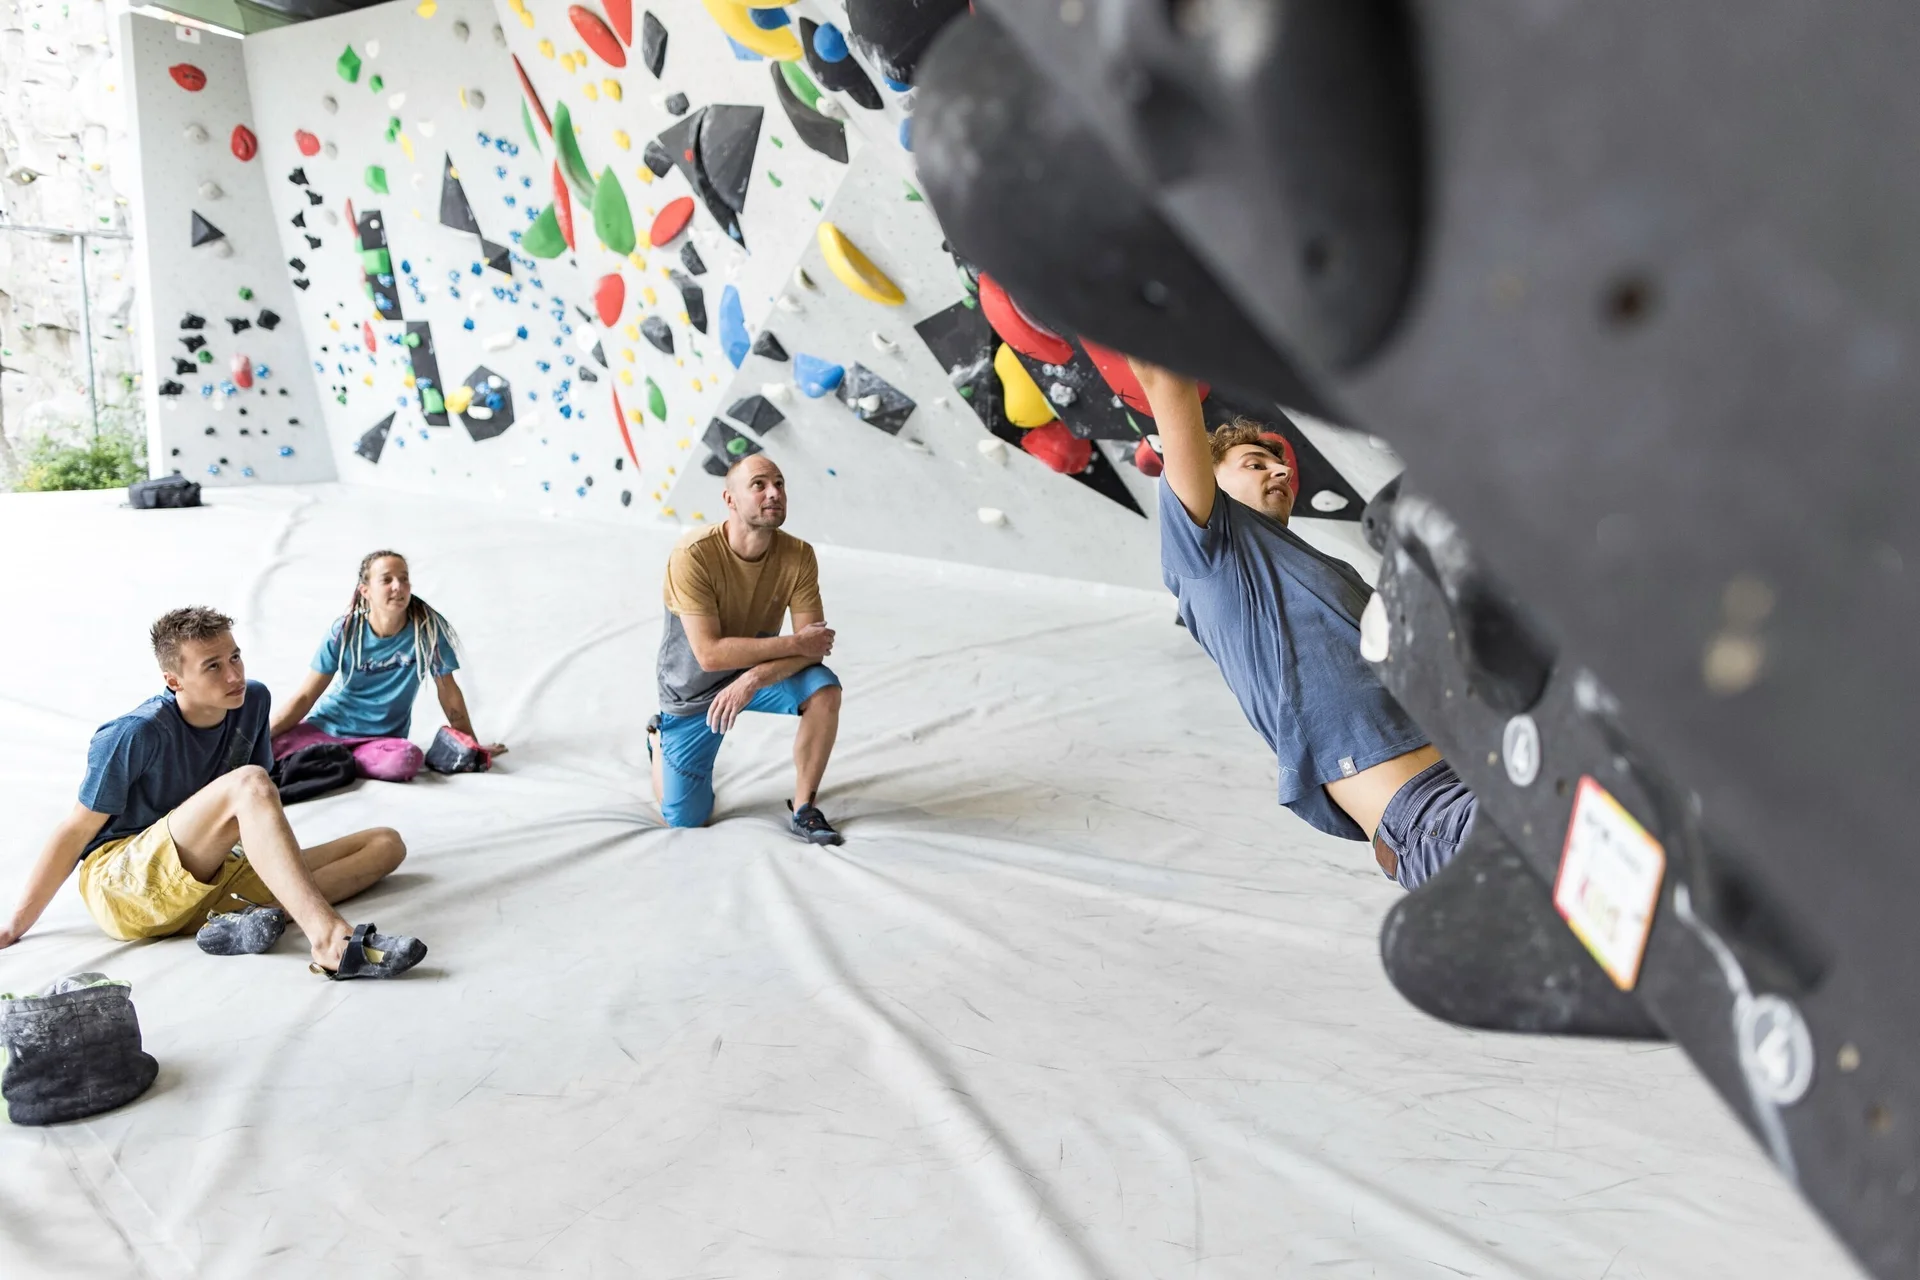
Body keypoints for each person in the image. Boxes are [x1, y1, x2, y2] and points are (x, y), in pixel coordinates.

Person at [1131, 358, 1476, 889]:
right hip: (1433, 812)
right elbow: (1164, 381)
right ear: (1206, 476)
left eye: (1280, 466)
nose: (1281, 472)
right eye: (1254, 464)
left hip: (1483, 774)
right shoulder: (1209, 554)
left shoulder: (1329, 572)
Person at [0, 607, 425, 977]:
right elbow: (75, 830)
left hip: (211, 871)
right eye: (213, 666)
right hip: (125, 884)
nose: (234, 675)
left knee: (386, 843)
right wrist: (14, 926)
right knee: (250, 783)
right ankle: (331, 942)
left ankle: (244, 921)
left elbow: (249, 816)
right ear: (174, 680)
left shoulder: (252, 701)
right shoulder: (134, 734)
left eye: (235, 657)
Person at [648, 454, 845, 844]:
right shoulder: (693, 554)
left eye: (779, 483)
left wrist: (753, 678)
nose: (774, 493)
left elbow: (814, 649)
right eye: (759, 485)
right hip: (693, 692)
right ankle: (657, 740)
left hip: (757, 674)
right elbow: (709, 654)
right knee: (685, 819)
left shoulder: (798, 555)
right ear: (730, 499)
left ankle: (804, 807)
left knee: (823, 688)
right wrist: (794, 644)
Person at [270, 550, 504, 780]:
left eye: (404, 579)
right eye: (386, 580)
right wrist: (262, 736)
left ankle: (333, 760)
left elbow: (448, 692)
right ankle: (334, 758)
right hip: (328, 727)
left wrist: (470, 745)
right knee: (270, 749)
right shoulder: (343, 632)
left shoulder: (427, 632)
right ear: (365, 591)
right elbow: (305, 697)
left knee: (406, 760)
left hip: (381, 740)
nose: (398, 586)